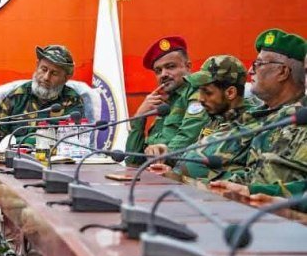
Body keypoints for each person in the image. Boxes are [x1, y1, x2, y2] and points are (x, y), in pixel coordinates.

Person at [211, 28, 306, 196]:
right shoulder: (257, 115)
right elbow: (249, 175)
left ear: (283, 72)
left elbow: (264, 182)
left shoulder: (296, 120)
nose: (250, 70)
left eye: (259, 64)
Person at [125, 36, 209, 165]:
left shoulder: (198, 93)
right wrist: (140, 116)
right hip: (153, 171)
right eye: (158, 71)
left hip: (179, 173)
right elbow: (132, 160)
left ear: (188, 67)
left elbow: (189, 136)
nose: (163, 74)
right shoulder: (165, 103)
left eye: (171, 67)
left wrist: (161, 154)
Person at [172, 55, 258, 179]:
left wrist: (183, 178)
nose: (200, 99)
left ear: (230, 93)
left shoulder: (252, 125)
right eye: (200, 91)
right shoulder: (217, 117)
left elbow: (251, 178)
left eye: (207, 92)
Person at [0, 45, 83, 137]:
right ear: (37, 66)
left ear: (66, 78)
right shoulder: (17, 96)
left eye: (54, 73)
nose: (46, 77)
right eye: (44, 69)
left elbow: (74, 139)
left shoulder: (72, 100)